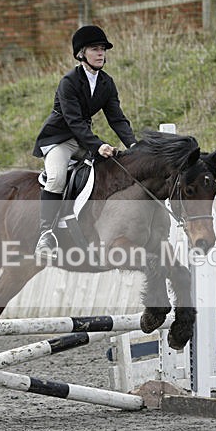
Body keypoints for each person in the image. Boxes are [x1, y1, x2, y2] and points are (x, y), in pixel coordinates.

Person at [32, 25, 137, 259]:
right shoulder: (68, 82)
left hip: (82, 141)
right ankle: (45, 233)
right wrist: (98, 145)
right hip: (59, 139)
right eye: (94, 49)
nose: (101, 54)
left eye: (103, 49)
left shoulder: (106, 83)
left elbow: (117, 119)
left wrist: (134, 145)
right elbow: (74, 121)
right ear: (81, 54)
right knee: (57, 177)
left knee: (108, 169)